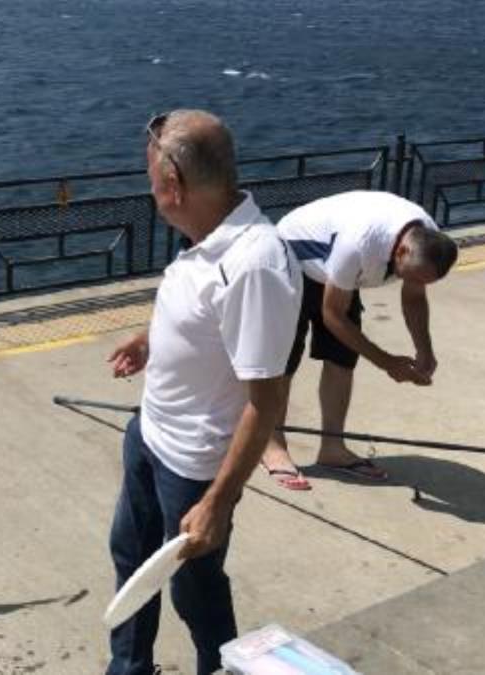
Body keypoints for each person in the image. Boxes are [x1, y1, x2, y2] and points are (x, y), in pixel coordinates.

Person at [105, 109, 301, 675]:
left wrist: (216, 501)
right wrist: (152, 339)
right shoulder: (207, 237)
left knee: (196, 594)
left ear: (172, 187)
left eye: (150, 181)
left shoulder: (253, 265)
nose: (150, 192)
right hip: (149, 435)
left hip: (193, 468)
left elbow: (267, 400)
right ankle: (128, 670)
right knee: (131, 560)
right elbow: (202, 317)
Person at [258, 191, 458, 488]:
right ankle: (272, 445)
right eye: (412, 277)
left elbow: (414, 300)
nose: (414, 285)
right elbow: (333, 315)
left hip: (337, 270)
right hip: (291, 261)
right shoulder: (358, 245)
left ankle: (332, 448)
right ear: (400, 252)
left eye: (423, 281)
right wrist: (387, 362)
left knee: (342, 357)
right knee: (284, 362)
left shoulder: (427, 240)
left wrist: (424, 350)